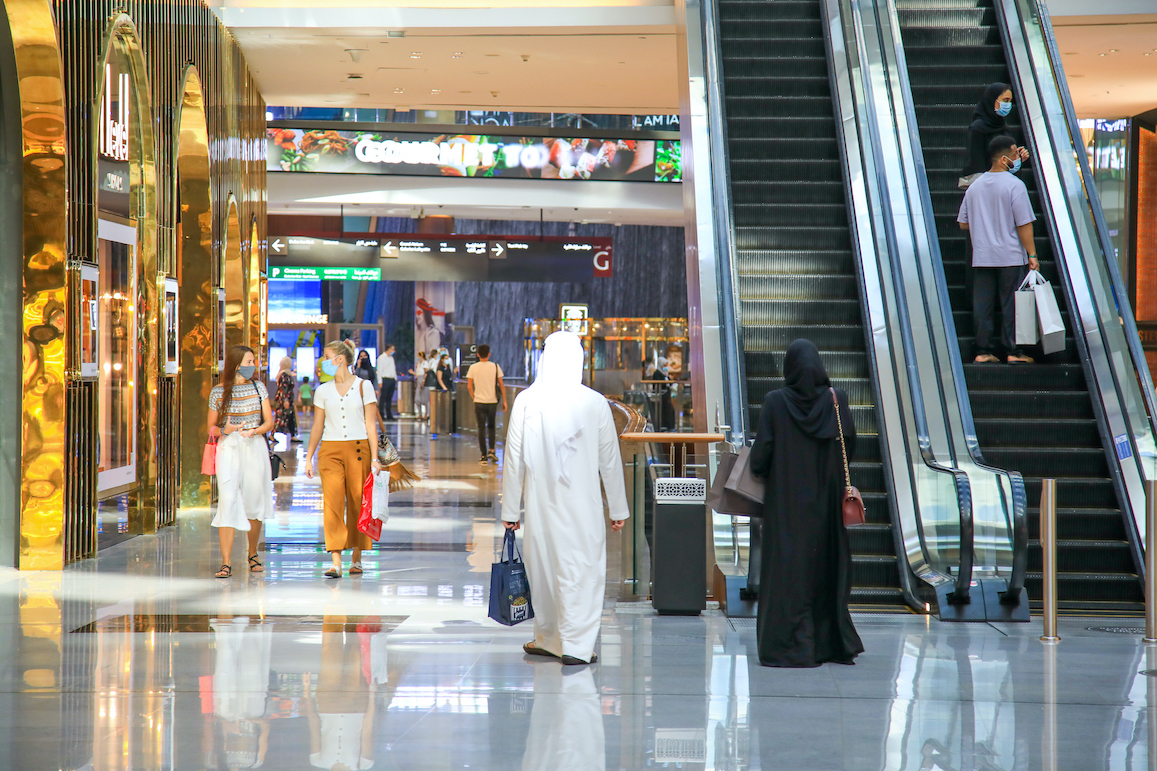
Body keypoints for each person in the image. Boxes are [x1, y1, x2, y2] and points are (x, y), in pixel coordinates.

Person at [502, 331, 629, 666]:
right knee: (582, 569)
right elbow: (610, 460)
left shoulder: (527, 400)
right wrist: (618, 507)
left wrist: (511, 508)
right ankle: (575, 644)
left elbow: (513, 459)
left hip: (541, 507)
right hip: (582, 507)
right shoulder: (594, 402)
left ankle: (549, 638)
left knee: (543, 569)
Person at [749, 339, 863, 668]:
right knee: (825, 570)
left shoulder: (775, 402)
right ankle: (829, 644)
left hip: (786, 508)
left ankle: (789, 645)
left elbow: (760, 460)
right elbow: (850, 447)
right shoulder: (836, 400)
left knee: (787, 574)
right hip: (827, 509)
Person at [304, 340, 383, 579]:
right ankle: (335, 562)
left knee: (358, 501)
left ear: (340, 359)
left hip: (359, 449)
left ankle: (356, 558)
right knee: (333, 503)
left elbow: (370, 423)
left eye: (327, 356)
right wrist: (308, 456)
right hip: (330, 450)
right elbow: (317, 426)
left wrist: (376, 457)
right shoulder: (322, 390)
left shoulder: (363, 386)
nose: (323, 360)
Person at [958, 135, 1039, 364]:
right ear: (1004, 159)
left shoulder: (975, 187)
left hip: (982, 256)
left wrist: (985, 222)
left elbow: (964, 223)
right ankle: (1013, 350)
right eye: (1015, 154)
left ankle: (983, 350)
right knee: (1011, 303)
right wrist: (1032, 254)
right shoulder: (1015, 185)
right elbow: (1024, 223)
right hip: (1011, 256)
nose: (1018, 157)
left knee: (982, 305)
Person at [208, 345, 275, 578]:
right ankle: (226, 562)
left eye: (253, 361)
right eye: (249, 361)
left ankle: (253, 553)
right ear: (236, 364)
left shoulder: (259, 388)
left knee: (254, 501)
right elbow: (211, 428)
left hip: (254, 446)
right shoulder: (218, 392)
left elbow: (269, 422)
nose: (253, 366)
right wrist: (224, 430)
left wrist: (256, 431)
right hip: (229, 448)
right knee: (227, 499)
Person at [960, 82, 1030, 188]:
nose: (1008, 105)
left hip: (1004, 185)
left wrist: (1016, 158)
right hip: (988, 187)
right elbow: (976, 163)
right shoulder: (978, 128)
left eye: (1010, 101)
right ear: (993, 100)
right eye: (1005, 100)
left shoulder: (1003, 126)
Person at [467, 344, 507, 465]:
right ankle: (492, 451)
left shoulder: (473, 367)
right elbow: (501, 384)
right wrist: (504, 400)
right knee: (491, 427)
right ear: (489, 354)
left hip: (479, 402)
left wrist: (475, 397)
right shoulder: (495, 367)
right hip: (492, 401)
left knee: (481, 428)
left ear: (478, 354)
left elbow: (469, 386)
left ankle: (483, 455)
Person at [272, 356, 298, 443]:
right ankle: (272, 434)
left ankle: (293, 435)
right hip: (283, 400)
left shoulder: (285, 374)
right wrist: (285, 400)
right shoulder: (283, 376)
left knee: (290, 417)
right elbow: (284, 388)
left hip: (287, 399)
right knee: (281, 417)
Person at [377, 344, 398, 420]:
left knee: (389, 398)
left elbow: (393, 369)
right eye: (392, 349)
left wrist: (395, 378)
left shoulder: (391, 358)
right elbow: (379, 370)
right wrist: (380, 381)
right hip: (385, 379)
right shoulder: (381, 358)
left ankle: (389, 414)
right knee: (383, 397)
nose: (393, 351)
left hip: (392, 379)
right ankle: (381, 414)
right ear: (388, 349)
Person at [410, 351, 429, 419]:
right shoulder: (419, 364)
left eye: (418, 356)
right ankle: (419, 413)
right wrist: (412, 372)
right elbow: (418, 373)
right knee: (417, 398)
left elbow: (426, 372)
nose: (417, 358)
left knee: (425, 398)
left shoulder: (425, 363)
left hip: (423, 379)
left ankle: (426, 414)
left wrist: (424, 380)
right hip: (419, 379)